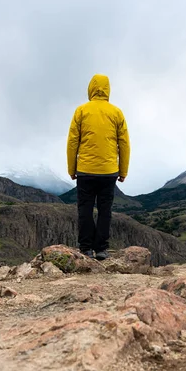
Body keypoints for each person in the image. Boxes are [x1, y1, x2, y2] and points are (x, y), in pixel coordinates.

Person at [67, 74, 130, 260]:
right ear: (108, 89)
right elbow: (124, 143)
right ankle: (101, 249)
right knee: (105, 210)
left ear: (91, 88)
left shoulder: (81, 111)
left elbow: (72, 142)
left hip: (85, 171)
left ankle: (86, 248)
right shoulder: (116, 112)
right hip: (109, 171)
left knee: (84, 209)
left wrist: (72, 169)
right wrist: (123, 170)